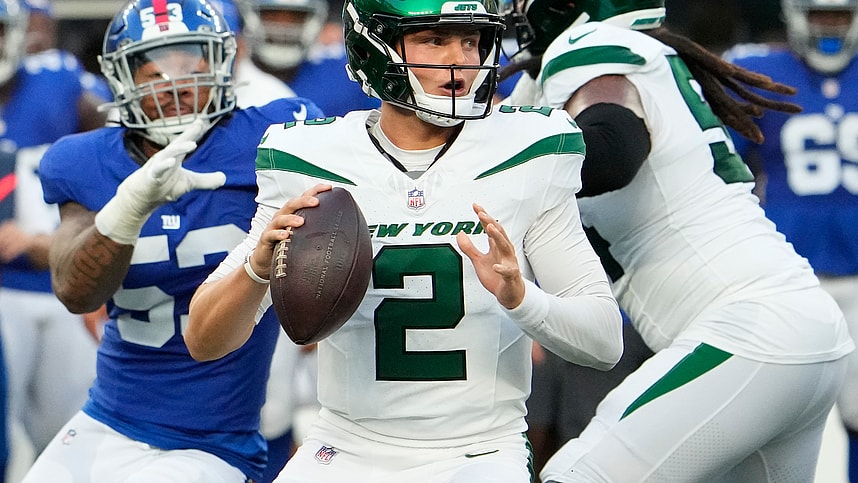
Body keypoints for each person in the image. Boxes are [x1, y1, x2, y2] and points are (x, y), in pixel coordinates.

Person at [185, 0, 626, 480]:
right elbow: (204, 341)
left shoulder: (529, 150)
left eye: (471, 39)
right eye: (435, 39)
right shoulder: (307, 157)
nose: (461, 58)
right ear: (375, 45)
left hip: (477, 450)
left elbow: (604, 342)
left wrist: (523, 300)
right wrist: (257, 269)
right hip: (345, 444)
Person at [498, 0, 855, 481]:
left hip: (747, 333)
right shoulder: (637, 56)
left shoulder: (589, 47)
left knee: (576, 476)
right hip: (796, 331)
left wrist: (498, 171)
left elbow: (615, 147)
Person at [18, 0, 322, 481]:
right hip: (109, 418)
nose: (176, 82)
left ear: (222, 63)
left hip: (216, 434)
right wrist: (128, 208)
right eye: (154, 66)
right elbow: (76, 292)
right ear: (121, 78)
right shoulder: (83, 160)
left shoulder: (272, 135)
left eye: (191, 60)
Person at [723, 1, 858, 480]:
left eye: (840, 15)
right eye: (822, 15)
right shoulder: (757, 70)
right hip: (792, 279)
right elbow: (723, 171)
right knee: (778, 419)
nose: (831, 27)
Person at [0, 0, 111, 477]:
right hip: (4, 292)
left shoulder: (59, 81)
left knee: (70, 433)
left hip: (60, 281)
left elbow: (118, 143)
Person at [241, 0, 380, 116]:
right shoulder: (233, 77)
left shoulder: (345, 74)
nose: (284, 28)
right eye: (272, 16)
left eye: (296, 17)